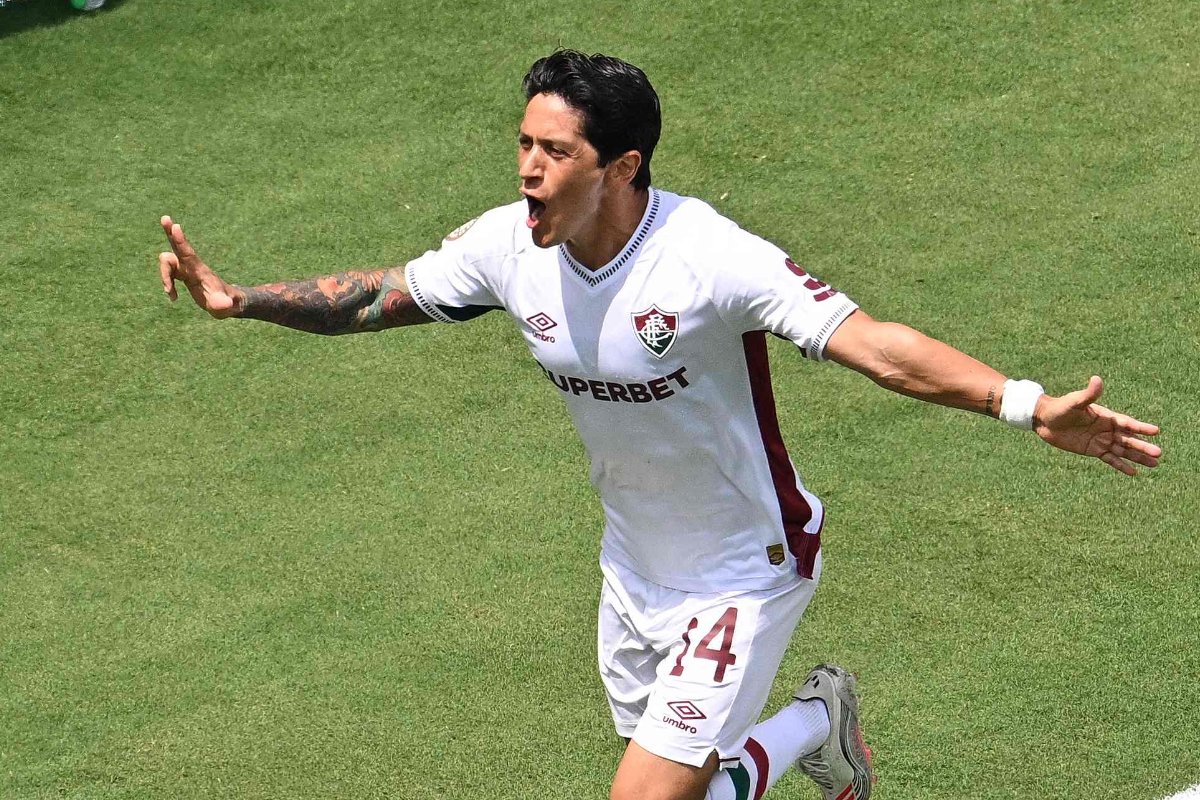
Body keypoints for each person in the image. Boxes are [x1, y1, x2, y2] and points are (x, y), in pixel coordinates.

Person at [156, 50, 1162, 800]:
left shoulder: (709, 256)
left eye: (556, 151)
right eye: (523, 143)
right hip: (632, 569)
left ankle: (813, 717)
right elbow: (381, 293)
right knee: (693, 783)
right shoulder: (512, 247)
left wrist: (1025, 402)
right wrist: (241, 299)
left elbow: (875, 343)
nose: (528, 170)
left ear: (622, 165)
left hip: (746, 566)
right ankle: (819, 719)